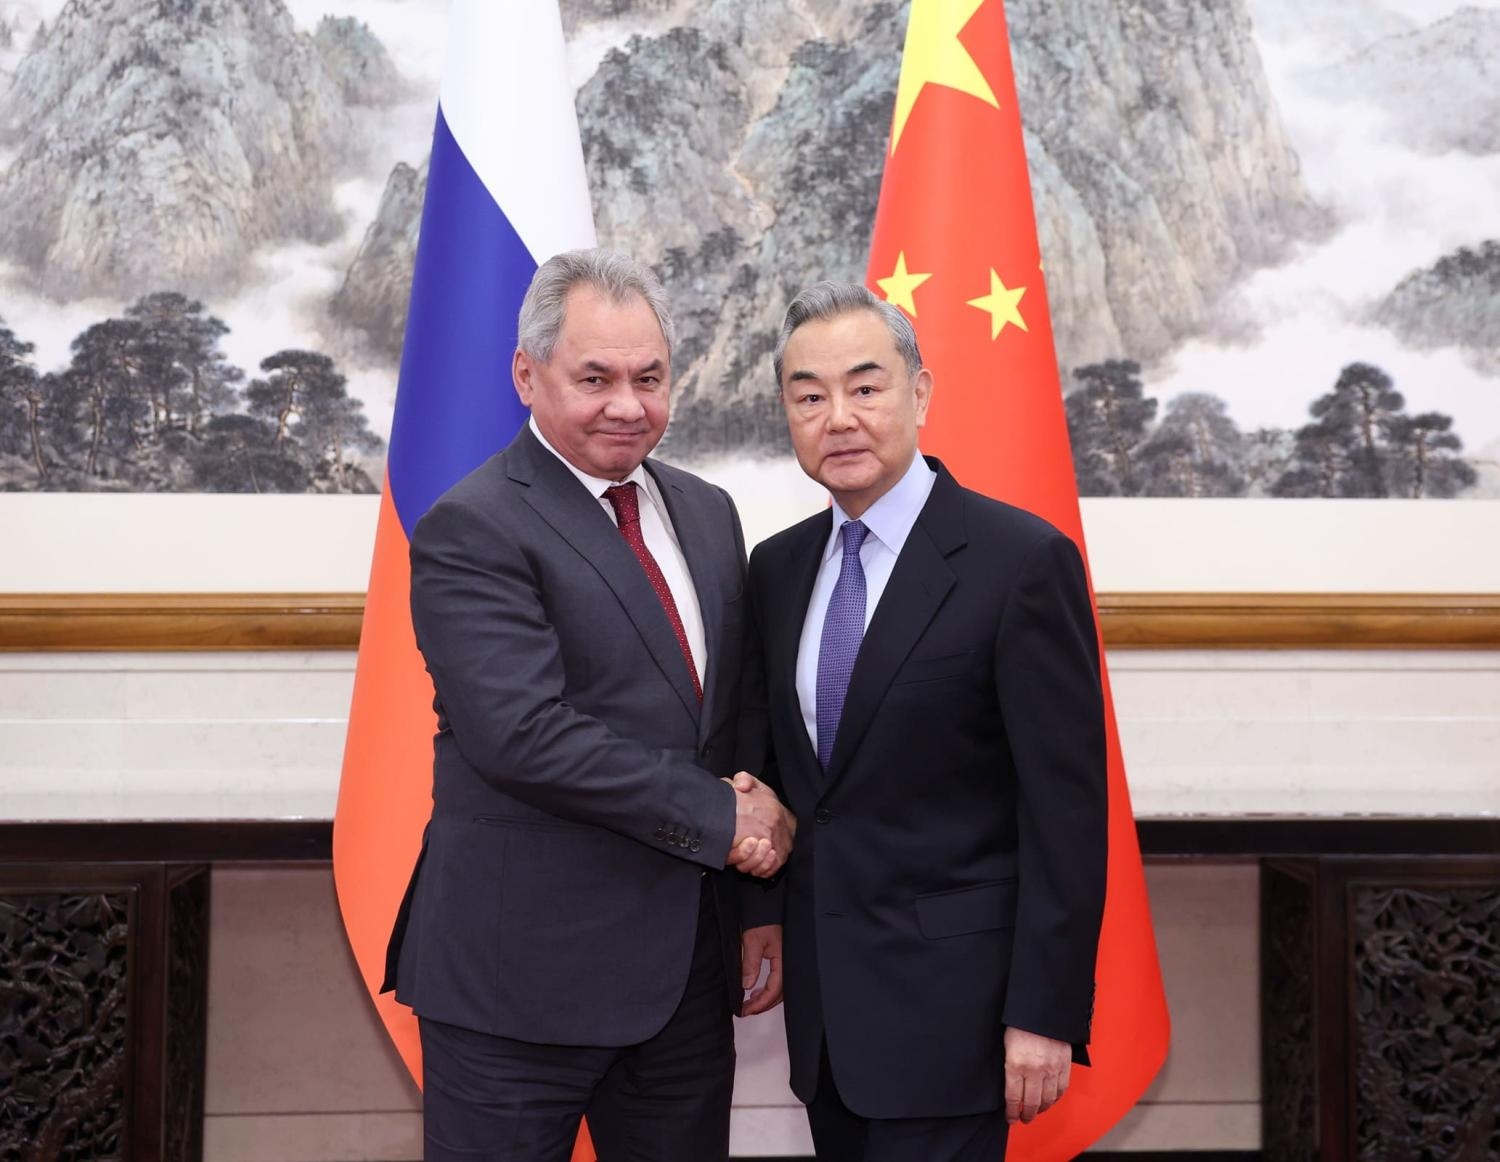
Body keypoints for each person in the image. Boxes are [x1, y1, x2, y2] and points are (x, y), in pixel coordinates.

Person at [383, 249, 794, 1162]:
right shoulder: (474, 525)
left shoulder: (708, 511)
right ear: (527, 376)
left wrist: (758, 899)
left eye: (650, 378)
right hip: (516, 987)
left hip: (683, 980)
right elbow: (521, 735)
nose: (628, 404)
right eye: (595, 378)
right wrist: (725, 818)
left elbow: (730, 721)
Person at [739, 282, 1107, 1161]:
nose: (840, 418)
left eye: (866, 388)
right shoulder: (777, 570)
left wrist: (1044, 1015)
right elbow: (791, 787)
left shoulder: (1020, 562)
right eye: (810, 395)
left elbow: (1066, 813)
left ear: (921, 395)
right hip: (829, 1025)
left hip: (958, 1017)